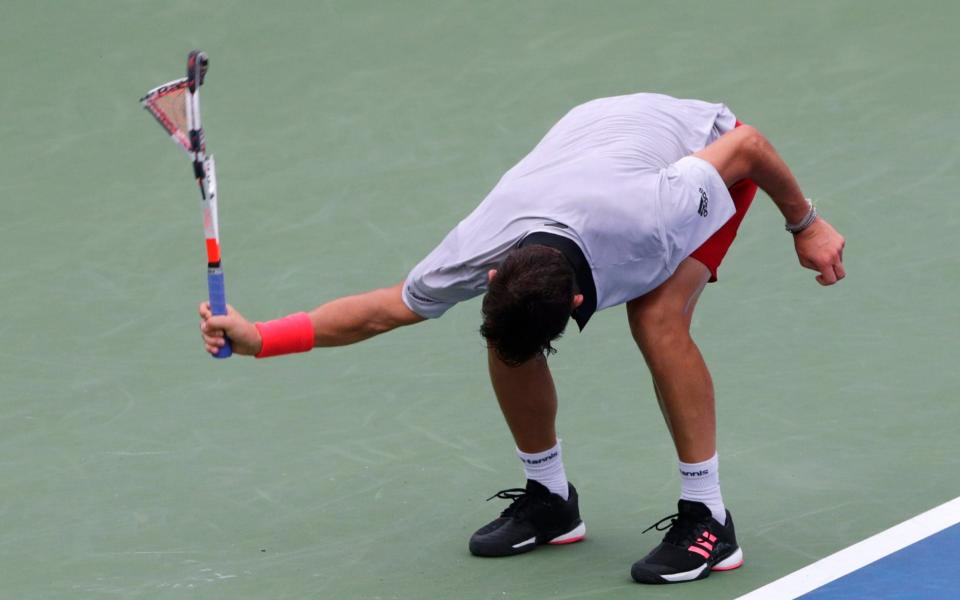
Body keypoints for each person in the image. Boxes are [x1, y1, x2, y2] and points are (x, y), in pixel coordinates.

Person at [199, 93, 845, 585]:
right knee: (507, 329)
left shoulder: (656, 211)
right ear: (492, 269)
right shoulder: (480, 246)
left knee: (655, 317)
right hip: (593, 141)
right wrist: (261, 337)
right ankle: (551, 500)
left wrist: (805, 225)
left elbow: (750, 146)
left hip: (698, 146)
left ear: (574, 301)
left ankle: (710, 521)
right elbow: (382, 311)